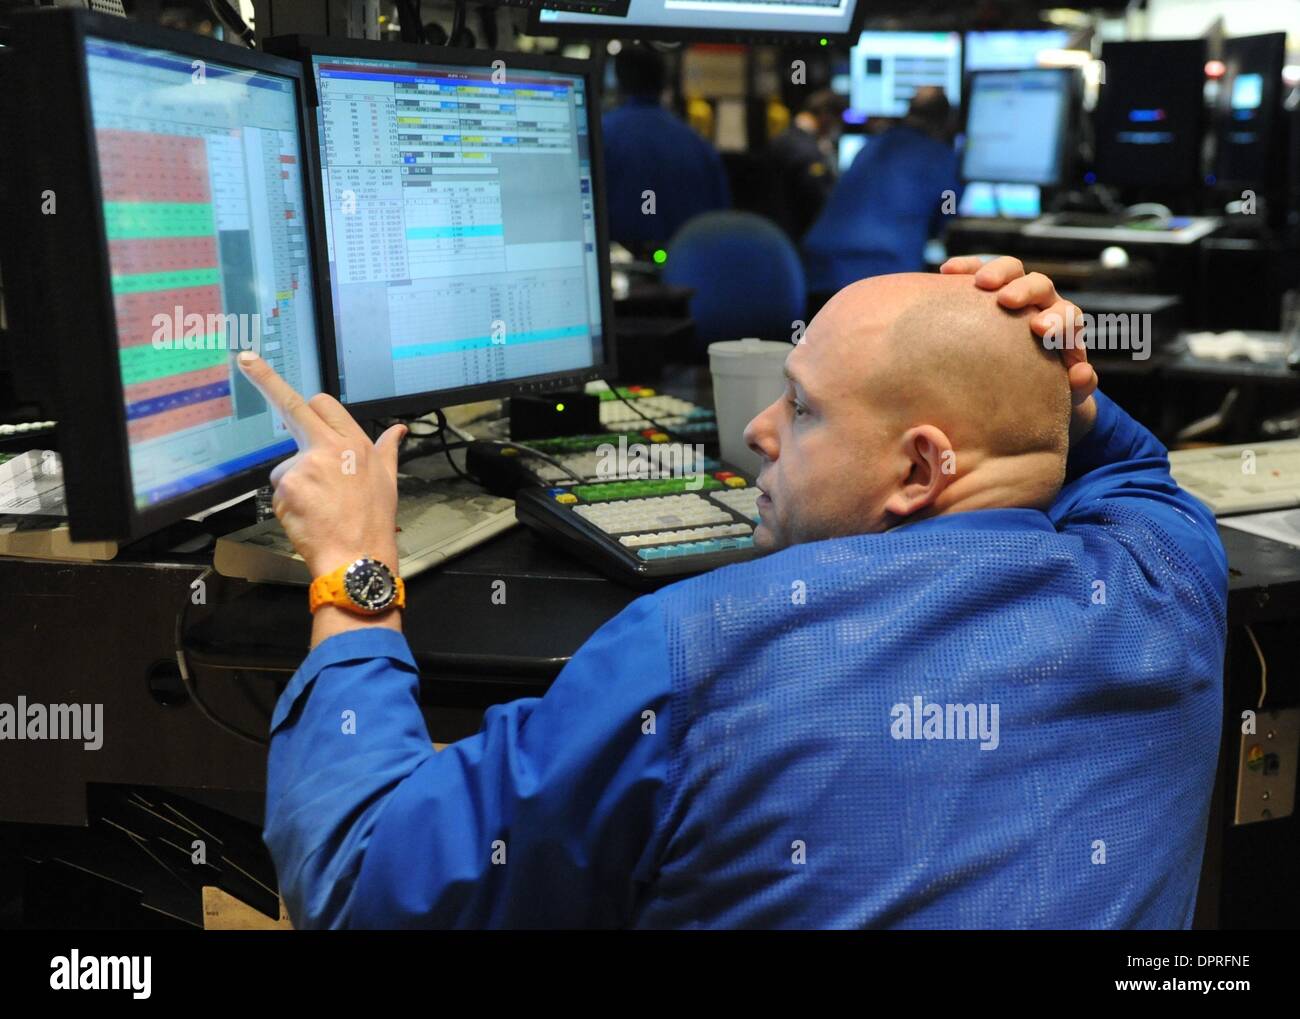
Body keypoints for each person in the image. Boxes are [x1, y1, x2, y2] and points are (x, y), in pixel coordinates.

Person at [244, 257, 1226, 929]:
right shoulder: (1166, 577)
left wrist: (355, 566)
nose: (759, 429)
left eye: (800, 407)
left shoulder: (699, 649)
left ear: (920, 469)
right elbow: (1125, 461)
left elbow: (358, 881)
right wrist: (1039, 369)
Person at [802, 87, 960, 298]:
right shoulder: (941, 157)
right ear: (947, 123)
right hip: (880, 270)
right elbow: (945, 223)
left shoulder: (870, 145)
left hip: (817, 265)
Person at [600, 44, 731, 253]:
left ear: (618, 82)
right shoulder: (699, 144)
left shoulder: (602, 134)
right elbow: (721, 223)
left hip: (621, 267)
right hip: (689, 268)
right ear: (664, 84)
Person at [765, 89, 846, 241]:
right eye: (838, 121)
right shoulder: (807, 152)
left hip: (777, 231)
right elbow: (819, 199)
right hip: (797, 236)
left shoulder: (785, 137)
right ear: (826, 116)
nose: (837, 128)